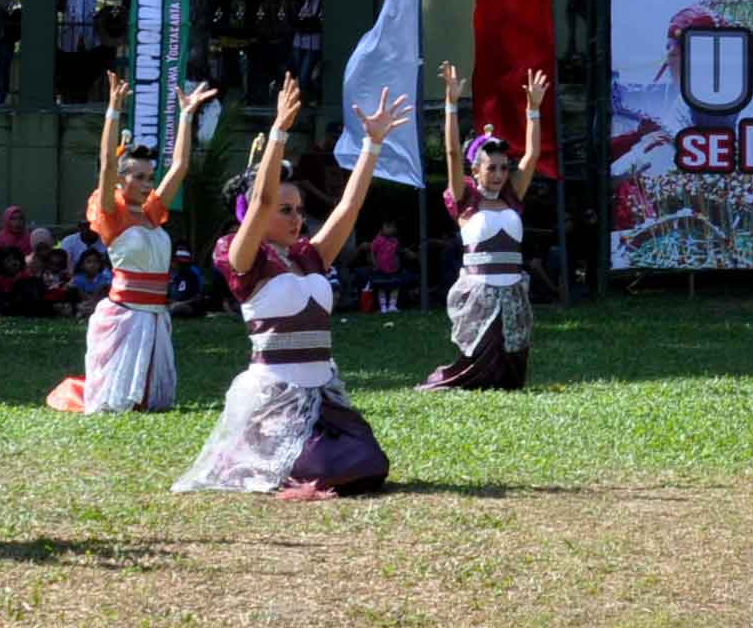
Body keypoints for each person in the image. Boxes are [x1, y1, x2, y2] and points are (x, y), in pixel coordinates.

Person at [174, 76, 410, 500]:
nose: (296, 218)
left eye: (299, 210)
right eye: (286, 210)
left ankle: (287, 457)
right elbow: (261, 201)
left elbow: (349, 207)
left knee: (370, 465)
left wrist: (372, 146)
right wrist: (280, 132)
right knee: (324, 469)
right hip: (274, 400)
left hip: (321, 397)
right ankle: (254, 454)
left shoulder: (308, 254)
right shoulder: (241, 256)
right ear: (252, 215)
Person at [50, 73, 218, 413]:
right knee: (116, 403)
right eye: (138, 177)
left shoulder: (153, 212)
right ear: (121, 180)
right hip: (126, 316)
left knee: (152, 403)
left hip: (155, 315)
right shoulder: (113, 213)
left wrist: (186, 116)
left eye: (149, 177)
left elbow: (181, 166)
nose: (146, 183)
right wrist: (113, 110)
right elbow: (108, 163)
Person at [423, 61, 547, 391]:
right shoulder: (465, 200)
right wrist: (451, 104)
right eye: (491, 168)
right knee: (475, 372)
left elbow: (533, 155)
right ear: (476, 170)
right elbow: (451, 152)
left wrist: (533, 109)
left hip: (513, 294)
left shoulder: (512, 197)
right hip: (480, 296)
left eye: (503, 168)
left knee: (511, 377)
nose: (499, 174)